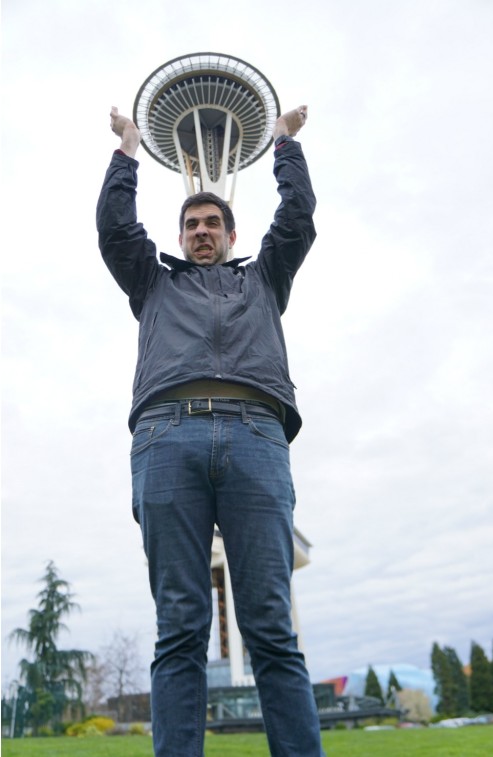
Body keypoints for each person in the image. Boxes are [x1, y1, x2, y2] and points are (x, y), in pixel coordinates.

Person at [98, 104, 324, 757]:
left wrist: (284, 145)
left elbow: (298, 217)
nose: (201, 230)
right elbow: (115, 228)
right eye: (192, 223)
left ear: (230, 232)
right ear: (181, 234)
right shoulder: (153, 282)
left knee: (271, 625)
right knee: (181, 625)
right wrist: (128, 152)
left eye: (212, 222)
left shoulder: (264, 278)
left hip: (256, 435)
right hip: (168, 435)